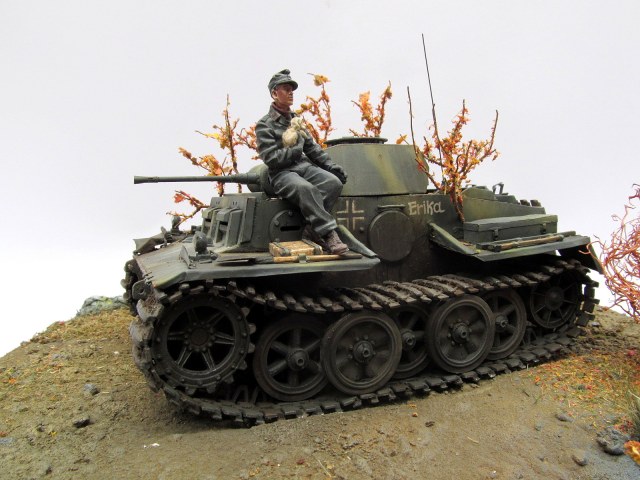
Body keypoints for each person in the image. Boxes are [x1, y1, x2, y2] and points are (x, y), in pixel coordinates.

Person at [256, 69, 349, 255]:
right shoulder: (264, 125)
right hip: (282, 173)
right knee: (305, 189)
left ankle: (313, 229)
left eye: (292, 89)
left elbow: (312, 148)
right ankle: (328, 233)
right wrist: (295, 151)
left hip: (303, 167)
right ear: (274, 93)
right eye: (285, 89)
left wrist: (331, 166)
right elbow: (271, 159)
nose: (291, 93)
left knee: (333, 183)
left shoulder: (295, 120)